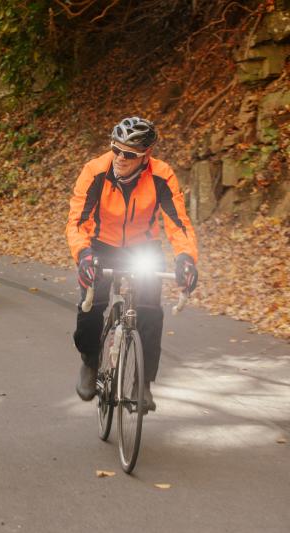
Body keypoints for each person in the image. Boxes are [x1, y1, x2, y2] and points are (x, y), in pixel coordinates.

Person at [66, 116, 198, 411]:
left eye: (129, 154)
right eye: (116, 149)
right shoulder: (95, 172)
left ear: (146, 156)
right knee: (91, 307)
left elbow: (178, 223)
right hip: (100, 245)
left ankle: (142, 382)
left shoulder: (162, 176)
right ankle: (89, 360)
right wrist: (84, 255)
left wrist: (186, 258)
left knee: (150, 311)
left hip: (143, 248)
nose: (120, 158)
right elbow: (77, 222)